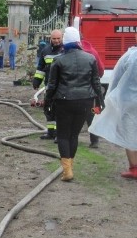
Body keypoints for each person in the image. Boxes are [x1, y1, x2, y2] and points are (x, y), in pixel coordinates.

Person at [44, 27, 104, 181]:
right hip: (85, 101)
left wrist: (47, 102)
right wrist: (100, 101)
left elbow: (52, 85)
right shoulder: (90, 59)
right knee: (74, 135)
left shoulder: (59, 61)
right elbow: (96, 83)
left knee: (63, 135)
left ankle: (67, 170)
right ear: (78, 41)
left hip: (64, 101)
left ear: (65, 42)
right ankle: (70, 166)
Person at [89, 32, 137, 179]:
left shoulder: (129, 56)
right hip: (129, 101)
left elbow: (116, 79)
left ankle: (134, 168)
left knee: (129, 132)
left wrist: (111, 98)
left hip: (128, 102)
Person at [32, 30, 64, 140]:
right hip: (49, 86)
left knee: (60, 110)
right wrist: (36, 81)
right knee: (48, 109)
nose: (56, 41)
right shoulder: (45, 50)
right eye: (54, 38)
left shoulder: (65, 50)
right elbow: (41, 68)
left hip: (62, 86)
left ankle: (59, 133)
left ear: (62, 38)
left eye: (58, 38)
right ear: (51, 38)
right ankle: (51, 133)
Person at [80, 35, 105, 147]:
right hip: (92, 90)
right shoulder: (93, 52)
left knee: (75, 114)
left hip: (76, 89)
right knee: (92, 113)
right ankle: (94, 140)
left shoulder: (69, 52)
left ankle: (70, 137)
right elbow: (101, 70)